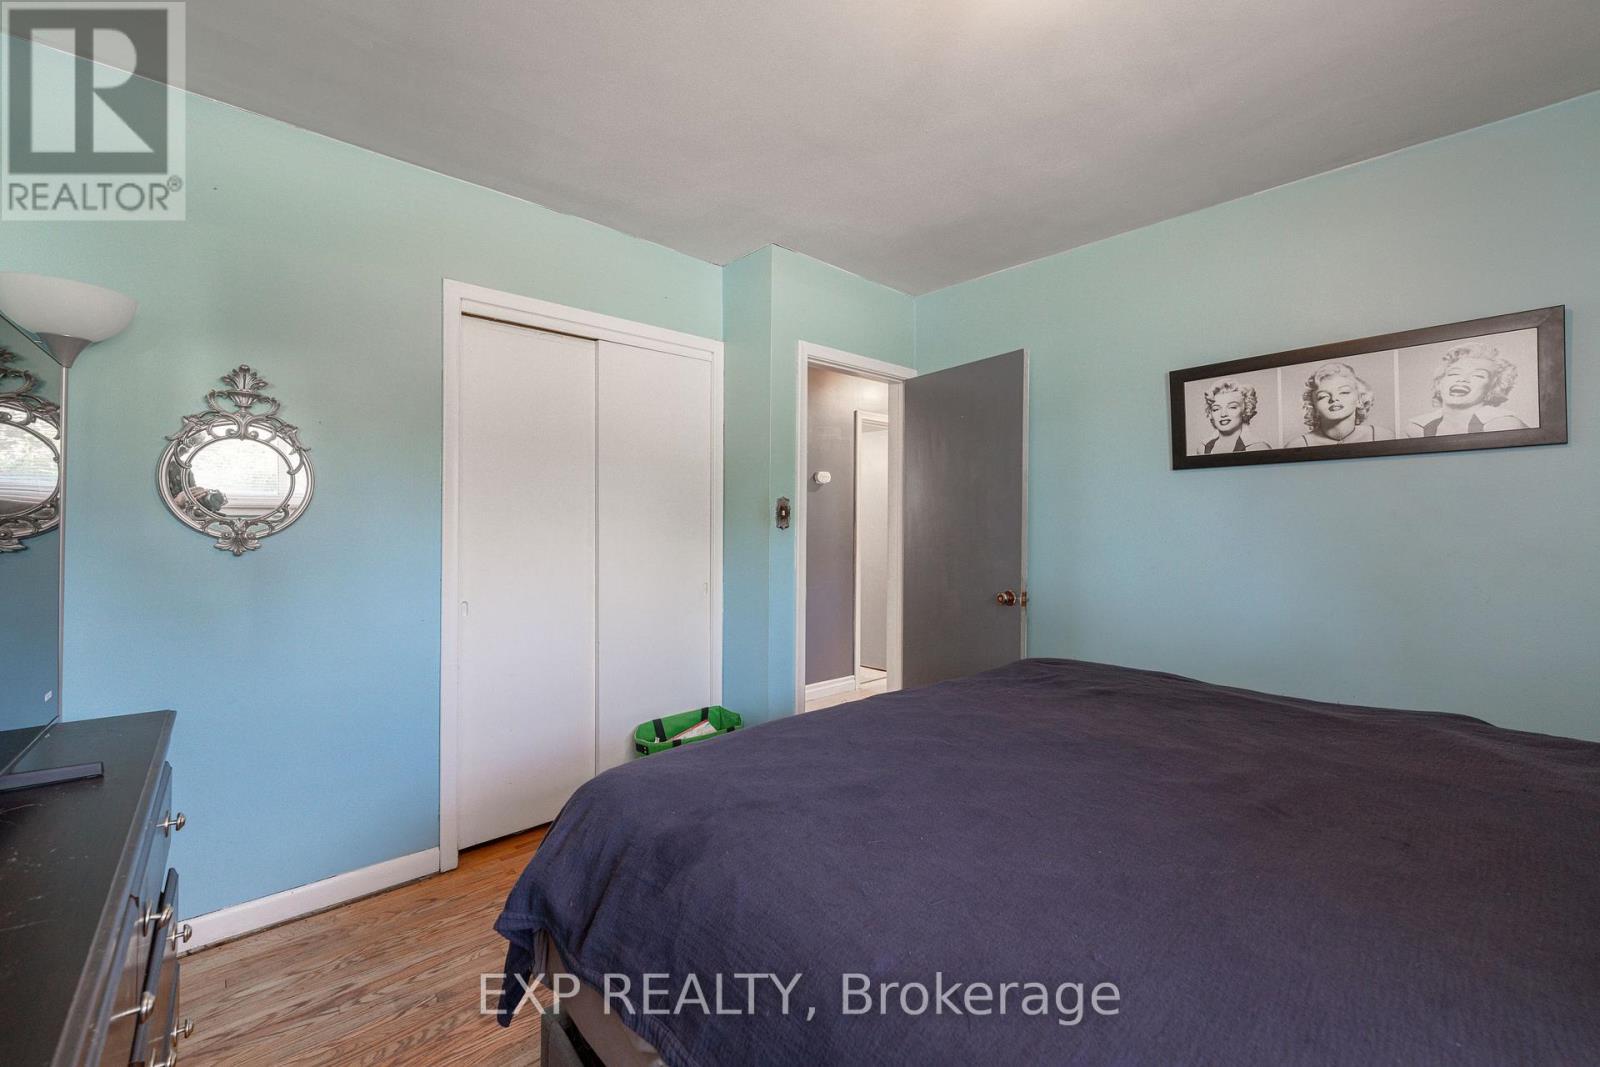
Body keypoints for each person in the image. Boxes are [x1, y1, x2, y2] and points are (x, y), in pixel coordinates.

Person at [1405, 342, 1528, 437]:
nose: (1463, 379)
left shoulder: (1503, 425)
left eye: (1478, 375)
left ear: (1492, 389)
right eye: (1454, 374)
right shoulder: (1418, 428)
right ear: (1439, 383)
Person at [1283, 362, 1394, 447]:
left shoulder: (1383, 436)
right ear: (1314, 407)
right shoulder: (1297, 445)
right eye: (1323, 396)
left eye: (1344, 392)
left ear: (1359, 400)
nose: (1334, 399)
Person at [1195, 379, 1273, 454]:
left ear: (1245, 410)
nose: (1223, 414)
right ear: (1210, 413)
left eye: (1232, 407)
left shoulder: (1258, 447)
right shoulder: (1203, 448)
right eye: (1216, 409)